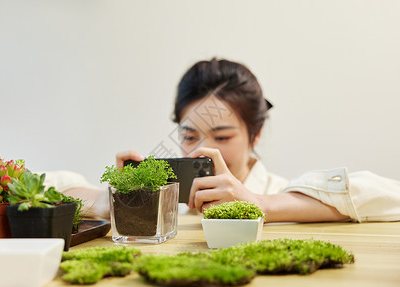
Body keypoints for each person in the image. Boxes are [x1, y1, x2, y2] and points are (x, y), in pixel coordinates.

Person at [48, 58, 400, 222]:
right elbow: (54, 189)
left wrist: (259, 204)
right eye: (188, 135)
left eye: (222, 135)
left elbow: (387, 196)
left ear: (256, 134)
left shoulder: (286, 197)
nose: (204, 150)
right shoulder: (165, 208)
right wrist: (108, 203)